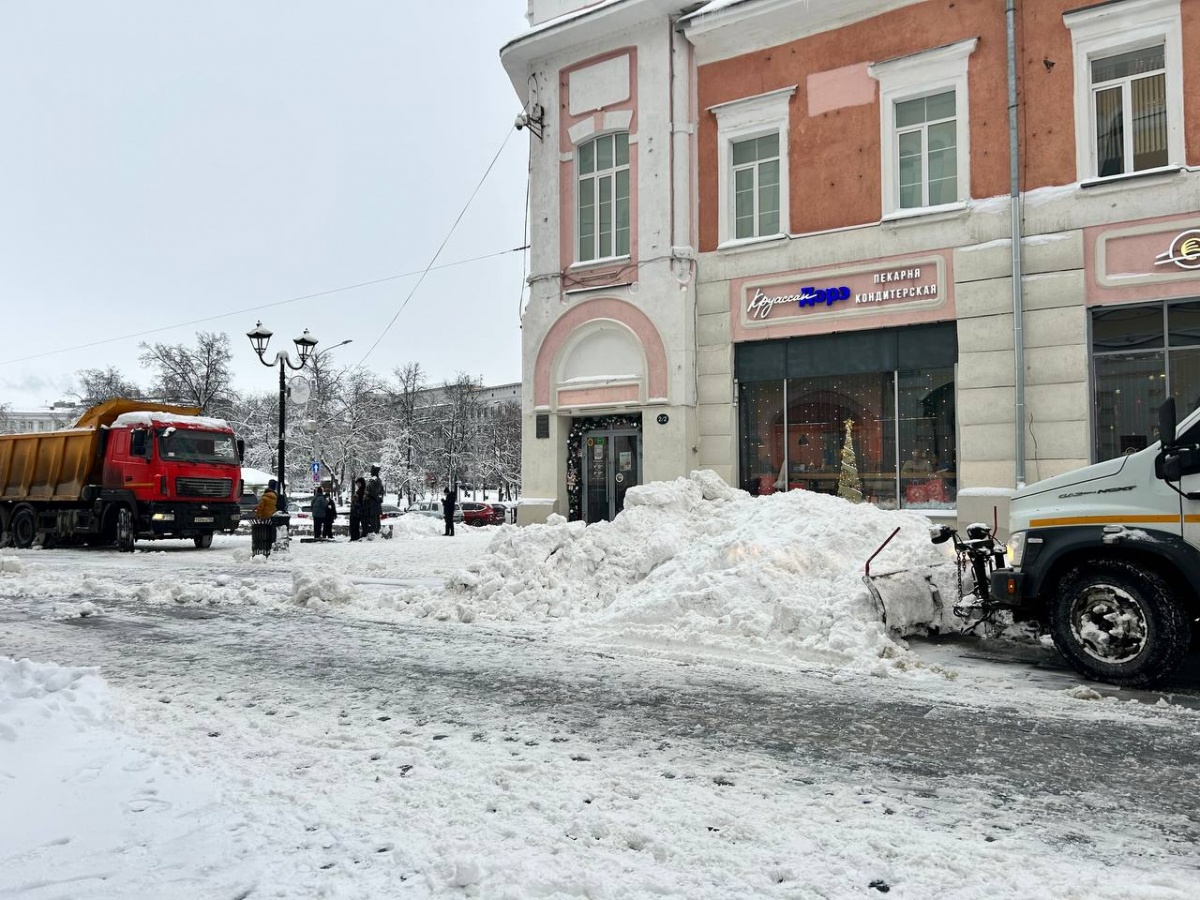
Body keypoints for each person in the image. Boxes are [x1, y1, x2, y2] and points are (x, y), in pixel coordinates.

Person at [365, 465, 385, 535]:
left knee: (373, 520)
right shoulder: (376, 480)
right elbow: (381, 492)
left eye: (372, 470)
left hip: (373, 504)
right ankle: (375, 532)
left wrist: (367, 494)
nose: (370, 471)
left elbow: (375, 493)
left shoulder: (374, 480)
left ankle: (374, 533)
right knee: (375, 520)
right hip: (374, 504)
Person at [349, 477, 366, 541]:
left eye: (358, 483)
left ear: (361, 483)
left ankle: (355, 537)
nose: (357, 484)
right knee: (354, 524)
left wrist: (355, 500)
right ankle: (354, 537)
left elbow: (360, 501)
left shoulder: (362, 491)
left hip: (358, 511)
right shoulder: (360, 491)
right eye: (357, 483)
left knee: (354, 524)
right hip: (357, 510)